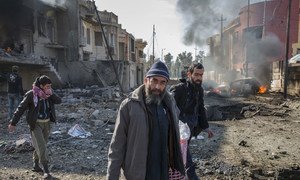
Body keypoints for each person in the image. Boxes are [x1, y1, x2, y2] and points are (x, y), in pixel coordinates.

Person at [107, 61, 185, 180]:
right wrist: (112, 177)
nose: (158, 87)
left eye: (162, 82)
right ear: (146, 80)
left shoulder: (170, 104)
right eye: (154, 81)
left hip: (164, 172)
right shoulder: (129, 106)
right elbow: (117, 146)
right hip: (138, 174)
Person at [8, 75, 61, 179]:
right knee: (42, 146)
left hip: (47, 123)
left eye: (50, 86)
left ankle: (36, 165)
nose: (49, 88)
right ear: (41, 86)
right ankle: (46, 171)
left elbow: (59, 101)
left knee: (42, 145)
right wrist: (13, 123)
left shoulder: (49, 93)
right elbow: (20, 108)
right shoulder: (31, 94)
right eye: (47, 86)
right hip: (35, 124)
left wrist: (52, 94)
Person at [170, 63, 214, 180]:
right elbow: (169, 108)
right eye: (196, 74)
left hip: (190, 129)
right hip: (179, 130)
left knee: (182, 155)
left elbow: (200, 108)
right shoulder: (179, 89)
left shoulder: (199, 89)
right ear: (189, 74)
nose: (199, 78)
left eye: (201, 75)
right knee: (185, 157)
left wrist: (206, 127)